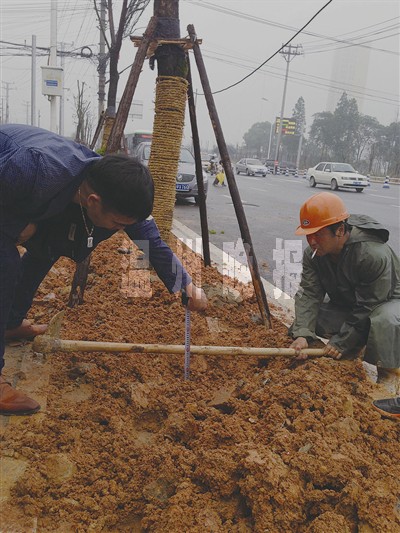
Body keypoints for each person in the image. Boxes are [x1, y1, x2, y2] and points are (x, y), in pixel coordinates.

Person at [0, 124, 207, 416]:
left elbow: (150, 240)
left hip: (25, 194)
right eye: (119, 225)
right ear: (93, 202)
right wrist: (13, 224)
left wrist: (185, 284)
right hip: (6, 182)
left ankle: (8, 324)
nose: (123, 230)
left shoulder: (111, 188)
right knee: (5, 263)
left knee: (46, 248)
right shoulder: (33, 168)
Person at [289, 192, 400, 402]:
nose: (311, 241)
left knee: (384, 321)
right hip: (355, 304)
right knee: (312, 320)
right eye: (308, 234)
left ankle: (389, 373)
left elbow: (369, 305)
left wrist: (342, 342)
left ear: (339, 230)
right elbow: (309, 293)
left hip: (388, 302)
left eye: (318, 234)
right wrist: (303, 334)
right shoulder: (314, 254)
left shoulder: (371, 254)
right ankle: (351, 351)